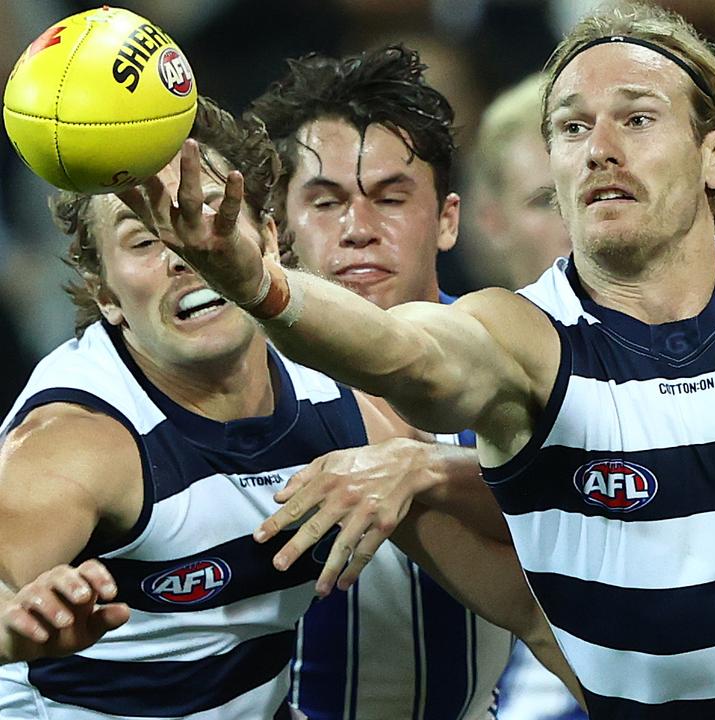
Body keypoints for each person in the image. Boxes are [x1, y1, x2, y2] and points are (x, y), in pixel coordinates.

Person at [147, 4, 715, 718]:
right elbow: (400, 349)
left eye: (637, 120)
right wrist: (257, 280)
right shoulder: (522, 336)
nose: (600, 147)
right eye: (572, 128)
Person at [0, 100, 566, 719]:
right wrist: (13, 627)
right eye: (144, 238)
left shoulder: (331, 394)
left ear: (268, 240)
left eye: (206, 213)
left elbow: (526, 603)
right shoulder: (83, 436)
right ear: (106, 294)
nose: (185, 250)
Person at [244, 45, 515, 720]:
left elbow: (593, 503)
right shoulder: (237, 379)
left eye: (391, 198)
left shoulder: (514, 354)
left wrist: (430, 470)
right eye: (326, 201)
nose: (359, 230)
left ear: (447, 219)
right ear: (277, 231)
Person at [467, 73, 586, 720]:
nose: (576, 218)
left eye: (584, 190)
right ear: (491, 222)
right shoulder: (433, 375)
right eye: (546, 199)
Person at [466, 72, 572, 291]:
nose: (575, 224)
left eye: (593, 195)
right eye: (545, 202)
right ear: (493, 221)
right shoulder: (462, 324)